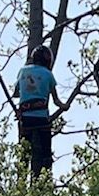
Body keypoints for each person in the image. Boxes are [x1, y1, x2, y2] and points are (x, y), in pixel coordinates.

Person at [14, 44, 61, 174]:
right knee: (46, 151)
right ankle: (45, 174)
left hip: (26, 119)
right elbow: (56, 101)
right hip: (41, 118)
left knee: (24, 151)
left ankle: (21, 176)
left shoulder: (22, 71)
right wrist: (65, 106)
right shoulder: (49, 75)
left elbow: (16, 93)